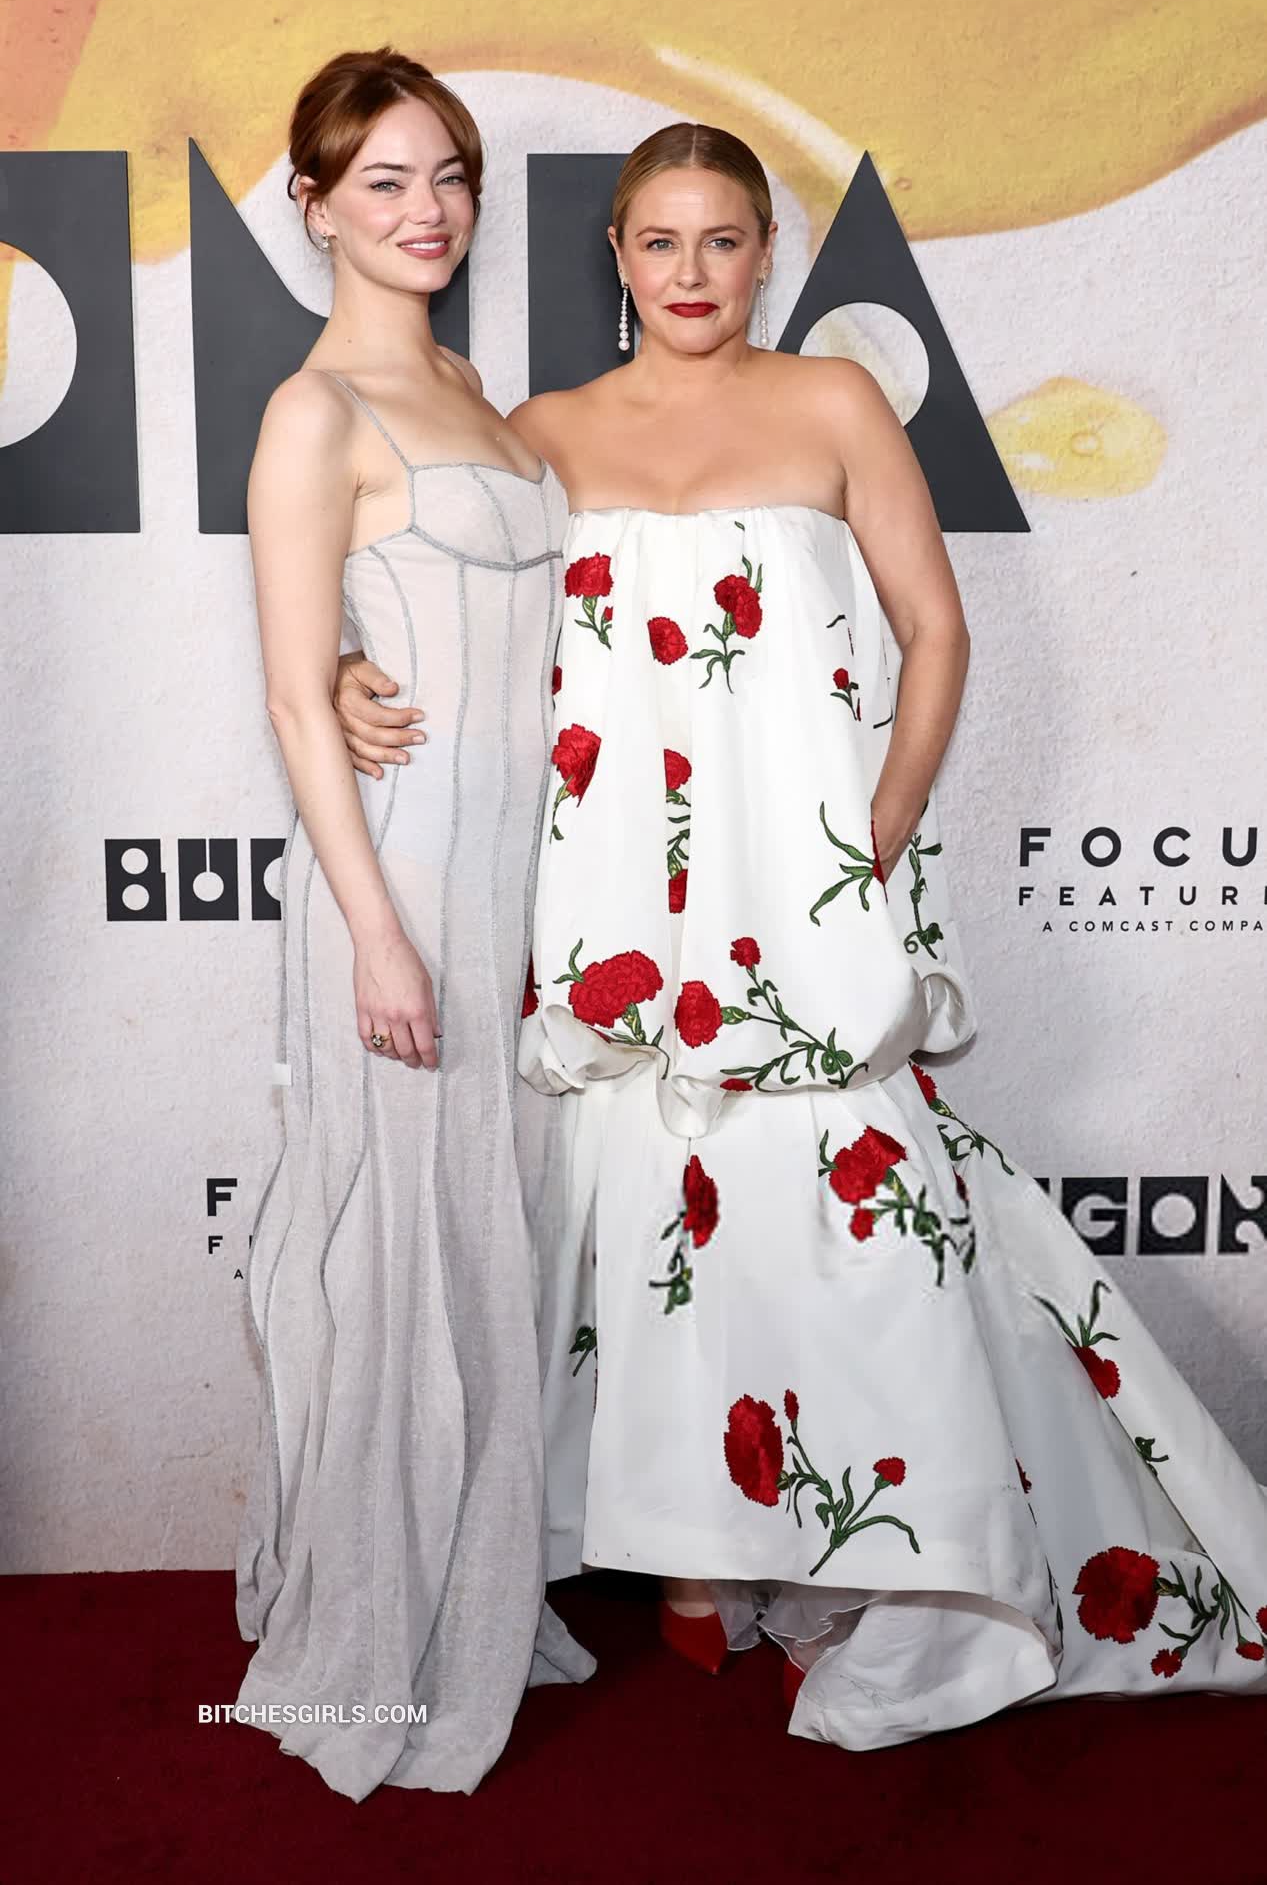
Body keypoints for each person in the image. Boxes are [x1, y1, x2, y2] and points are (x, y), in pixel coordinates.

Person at [333, 121, 1267, 1751]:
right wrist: (353, 672)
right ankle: (695, 1561)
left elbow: (935, 628)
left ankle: (893, 1559)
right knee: (641, 1206)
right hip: (621, 908)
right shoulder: (544, 433)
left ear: (767, 253)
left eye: (723, 240)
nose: (691, 273)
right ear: (617, 253)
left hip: (800, 911)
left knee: (851, 1220)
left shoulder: (835, 404)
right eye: (660, 241)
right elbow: (456, 626)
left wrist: (874, 838)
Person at [234, 47, 594, 1804]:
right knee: (392, 1260)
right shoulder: (314, 415)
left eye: (448, 174)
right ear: (314, 207)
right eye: (382, 179)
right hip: (399, 887)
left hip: (519, 889)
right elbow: (296, 695)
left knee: (487, 1244)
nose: (427, 208)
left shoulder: (468, 385)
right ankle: (374, 1639)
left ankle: (476, 1588)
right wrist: (377, 937)